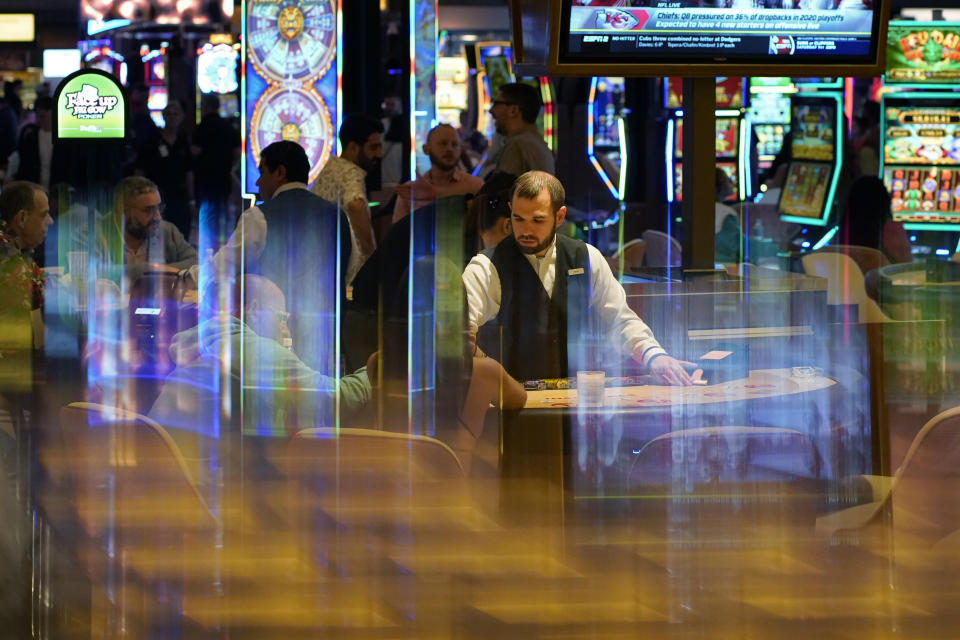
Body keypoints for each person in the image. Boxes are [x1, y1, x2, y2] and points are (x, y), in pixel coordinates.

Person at [462, 171, 693, 385]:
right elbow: (462, 334)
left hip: (575, 401)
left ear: (560, 216)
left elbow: (619, 320)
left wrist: (654, 356)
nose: (526, 231)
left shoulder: (586, 258)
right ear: (510, 210)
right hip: (509, 400)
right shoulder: (485, 267)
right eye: (518, 218)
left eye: (538, 220)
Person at [149, 274, 372, 438]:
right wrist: (377, 368)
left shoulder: (213, 343)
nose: (286, 330)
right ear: (254, 310)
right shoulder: (249, 348)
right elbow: (331, 401)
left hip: (169, 471)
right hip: (190, 483)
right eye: (281, 318)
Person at [211, 140, 352, 374]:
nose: (257, 182)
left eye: (262, 172)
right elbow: (350, 268)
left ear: (280, 173)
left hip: (275, 341)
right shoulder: (337, 215)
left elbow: (222, 267)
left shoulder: (258, 216)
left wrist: (187, 276)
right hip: (326, 335)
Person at [311, 114, 383, 285]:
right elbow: (355, 205)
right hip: (343, 272)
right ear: (353, 148)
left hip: (320, 267)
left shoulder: (330, 167)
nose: (379, 154)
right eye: (373, 148)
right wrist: (372, 258)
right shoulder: (351, 172)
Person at [392, 123, 484, 223]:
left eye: (454, 144)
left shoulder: (475, 186)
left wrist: (434, 194)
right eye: (443, 143)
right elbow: (399, 234)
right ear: (426, 149)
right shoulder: (410, 191)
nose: (449, 149)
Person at [115, 176, 197, 279]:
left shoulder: (167, 230)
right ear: (124, 211)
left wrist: (156, 271)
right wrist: (146, 271)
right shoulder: (99, 232)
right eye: (148, 210)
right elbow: (97, 271)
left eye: (158, 208)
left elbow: (195, 261)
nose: (158, 217)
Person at [136, 100, 196, 240]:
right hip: (158, 194)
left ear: (181, 117)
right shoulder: (152, 141)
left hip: (179, 196)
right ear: (163, 117)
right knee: (157, 234)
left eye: (175, 114)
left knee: (181, 234)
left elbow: (189, 172)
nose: (172, 117)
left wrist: (191, 199)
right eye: (168, 114)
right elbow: (140, 171)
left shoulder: (183, 142)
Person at [192, 94, 240, 238]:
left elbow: (195, 151)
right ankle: (222, 245)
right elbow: (237, 151)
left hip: (205, 178)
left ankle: (208, 247)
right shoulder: (227, 125)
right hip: (223, 176)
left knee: (206, 216)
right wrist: (229, 165)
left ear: (206, 106)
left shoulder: (203, 125)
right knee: (222, 214)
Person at [482, 83, 555, 177]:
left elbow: (500, 190)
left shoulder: (517, 145)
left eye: (496, 104)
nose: (491, 110)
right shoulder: (534, 141)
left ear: (513, 110)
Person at [0, 181, 51, 312]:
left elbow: (38, 277)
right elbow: (35, 293)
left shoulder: (17, 246)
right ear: (22, 218)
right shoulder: (3, 248)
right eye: (43, 215)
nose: (50, 221)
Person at [839, 175, 913, 264]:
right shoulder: (892, 229)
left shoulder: (843, 230)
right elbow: (907, 265)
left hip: (850, 278)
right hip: (882, 278)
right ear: (884, 201)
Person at [9, 96, 53, 190]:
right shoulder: (30, 135)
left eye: (43, 116)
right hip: (35, 187)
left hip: (52, 187)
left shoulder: (30, 133)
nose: (40, 119)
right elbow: (24, 163)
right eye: (38, 116)